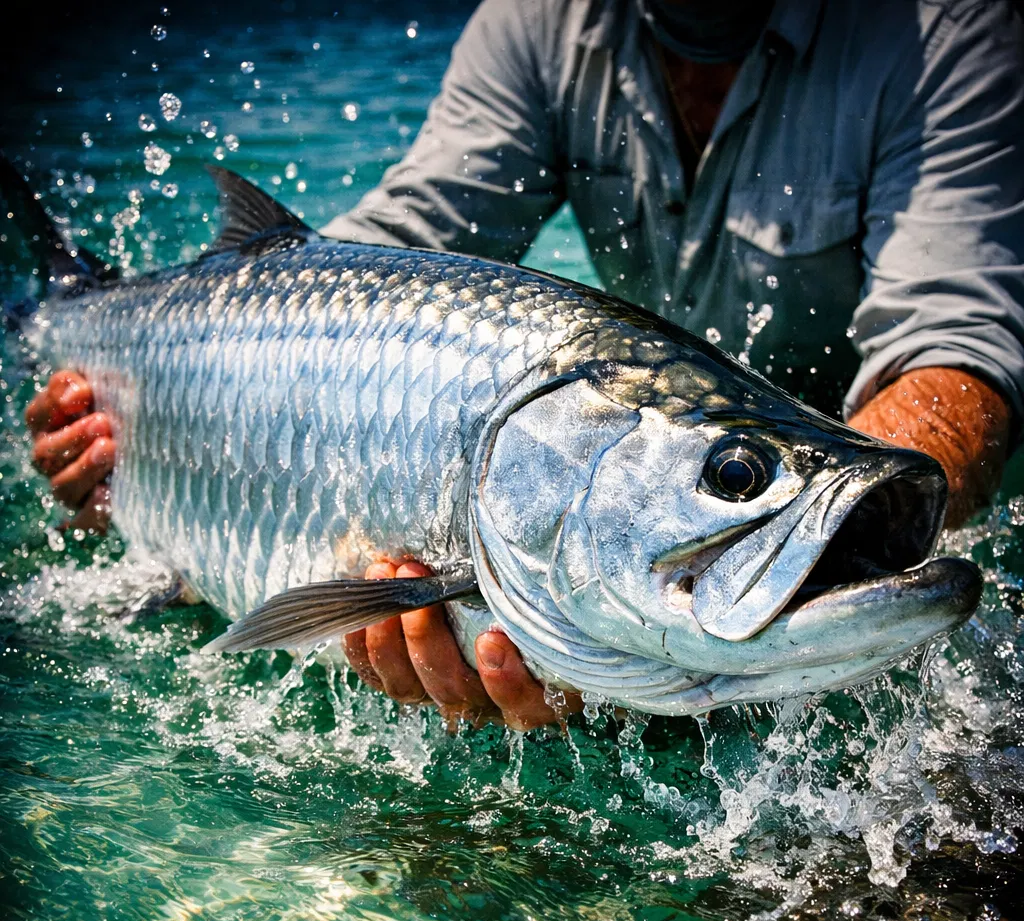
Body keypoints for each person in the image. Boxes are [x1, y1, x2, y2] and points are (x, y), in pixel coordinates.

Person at [26, 0, 1024, 731]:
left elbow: (959, 340)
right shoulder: (534, 21)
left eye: (735, 482)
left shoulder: (951, 33)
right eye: (736, 482)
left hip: (810, 443)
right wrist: (126, 429)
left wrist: (869, 530)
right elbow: (398, 248)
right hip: (680, 447)